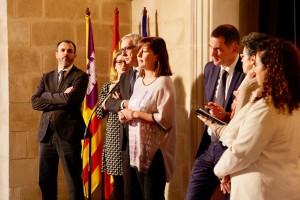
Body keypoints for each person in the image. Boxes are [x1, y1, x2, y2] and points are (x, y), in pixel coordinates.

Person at [214, 38, 300, 200]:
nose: (254, 71)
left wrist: (221, 169)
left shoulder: (267, 106)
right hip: (287, 186)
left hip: (261, 190)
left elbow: (243, 151)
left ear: (271, 69)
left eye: (257, 65)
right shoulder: (293, 103)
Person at [197, 32, 269, 193]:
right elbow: (243, 119)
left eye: (243, 55)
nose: (212, 54)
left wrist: (224, 171)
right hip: (212, 146)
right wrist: (225, 115)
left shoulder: (254, 88)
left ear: (253, 60)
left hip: (236, 156)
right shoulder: (210, 69)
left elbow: (239, 134)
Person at [185, 24, 246, 200]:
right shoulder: (209, 68)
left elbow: (246, 116)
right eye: (211, 48)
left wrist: (225, 116)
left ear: (235, 48)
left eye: (218, 49)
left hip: (231, 147)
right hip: (207, 146)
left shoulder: (247, 73)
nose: (213, 54)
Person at [119, 36, 176, 200]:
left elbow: (166, 120)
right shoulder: (138, 81)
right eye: (139, 51)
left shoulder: (164, 82)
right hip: (136, 150)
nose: (139, 55)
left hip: (154, 153)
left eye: (144, 51)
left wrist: (135, 114)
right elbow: (134, 108)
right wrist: (126, 115)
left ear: (157, 55)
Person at [31, 40, 88, 200]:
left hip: (69, 135)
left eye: (69, 51)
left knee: (74, 182)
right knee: (45, 181)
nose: (66, 54)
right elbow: (35, 101)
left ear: (74, 55)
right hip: (46, 135)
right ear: (56, 54)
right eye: (62, 50)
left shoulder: (81, 76)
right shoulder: (46, 76)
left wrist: (47, 96)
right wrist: (61, 96)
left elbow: (70, 101)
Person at [105, 33, 144, 200]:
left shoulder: (148, 73)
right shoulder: (127, 76)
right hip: (126, 141)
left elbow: (145, 104)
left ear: (139, 48)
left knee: (146, 192)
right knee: (128, 192)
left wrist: (126, 103)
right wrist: (124, 103)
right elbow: (108, 104)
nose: (124, 53)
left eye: (127, 48)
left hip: (144, 139)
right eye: (122, 49)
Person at [95, 51, 130, 200]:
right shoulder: (107, 86)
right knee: (118, 183)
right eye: (119, 62)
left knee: (130, 183)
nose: (123, 65)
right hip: (114, 138)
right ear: (114, 66)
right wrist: (109, 100)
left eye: (125, 61)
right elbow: (99, 113)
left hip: (129, 135)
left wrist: (118, 102)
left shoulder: (135, 85)